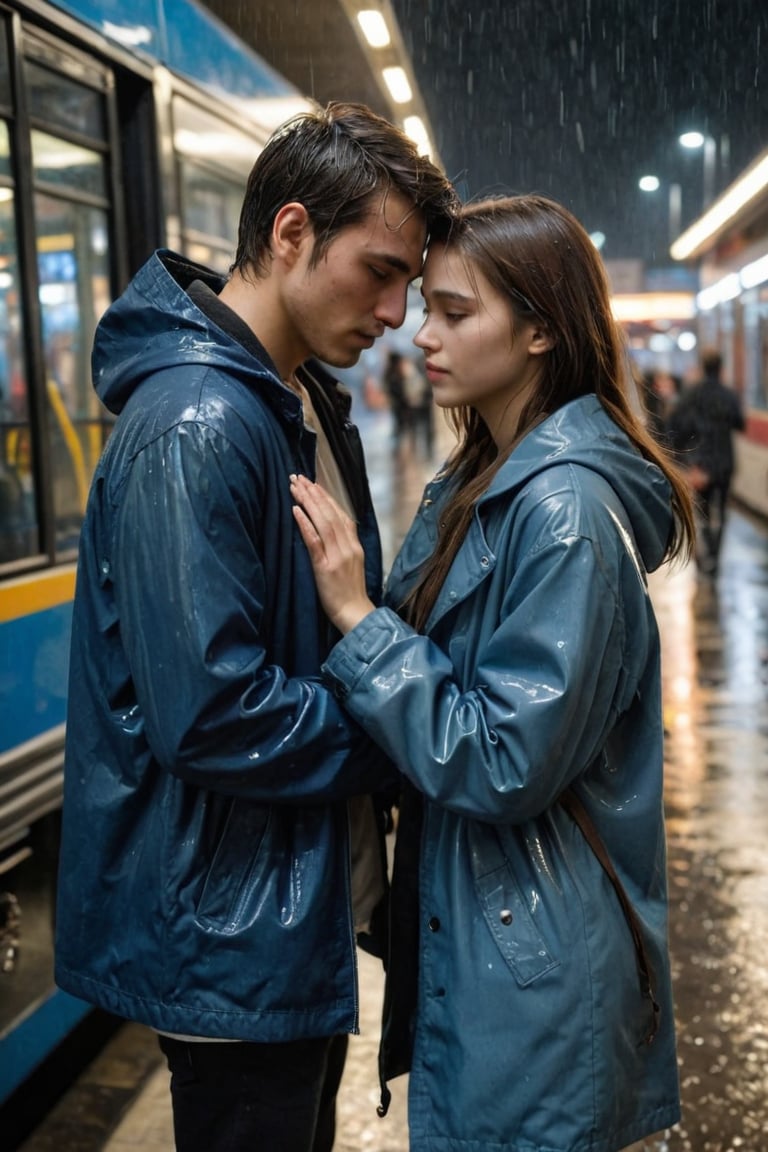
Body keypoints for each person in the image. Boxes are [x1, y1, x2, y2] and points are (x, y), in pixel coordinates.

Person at [54, 101, 457, 1152]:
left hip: (289, 902)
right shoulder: (199, 420)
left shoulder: (298, 400)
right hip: (234, 925)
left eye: (410, 282)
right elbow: (213, 712)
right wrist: (403, 722)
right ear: (289, 235)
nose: (397, 311)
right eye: (379, 270)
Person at [290, 193, 696, 1152]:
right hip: (497, 939)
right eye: (427, 305)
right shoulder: (485, 481)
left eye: (456, 312)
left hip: (534, 964)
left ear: (542, 331)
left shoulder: (563, 517)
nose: (422, 334)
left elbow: (505, 757)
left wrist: (355, 617)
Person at [667, 347, 745, 576]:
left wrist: (683, 460)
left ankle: (707, 551)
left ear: (703, 368)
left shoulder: (692, 395)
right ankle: (715, 555)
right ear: (721, 369)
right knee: (721, 507)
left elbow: (675, 427)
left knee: (703, 510)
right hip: (725, 462)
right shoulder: (728, 395)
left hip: (700, 464)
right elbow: (740, 424)